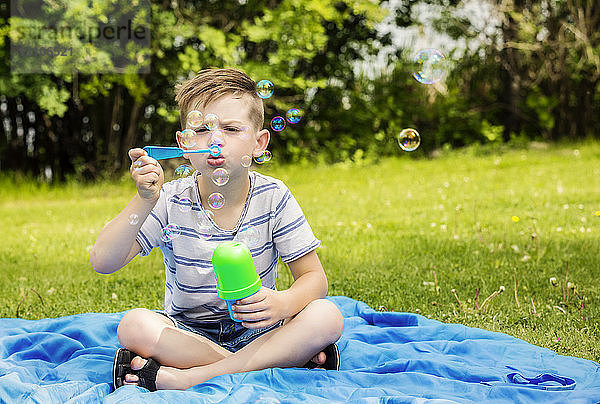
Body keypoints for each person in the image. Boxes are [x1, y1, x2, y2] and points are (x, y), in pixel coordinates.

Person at [89, 68, 345, 391]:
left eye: (232, 128)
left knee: (327, 315)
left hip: (260, 328)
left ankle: (190, 378)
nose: (216, 140)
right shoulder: (169, 200)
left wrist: (283, 303)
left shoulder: (274, 197)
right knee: (133, 326)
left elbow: (314, 280)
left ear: (259, 142)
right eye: (202, 129)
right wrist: (143, 201)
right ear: (183, 143)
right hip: (188, 333)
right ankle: (274, 359)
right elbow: (102, 260)